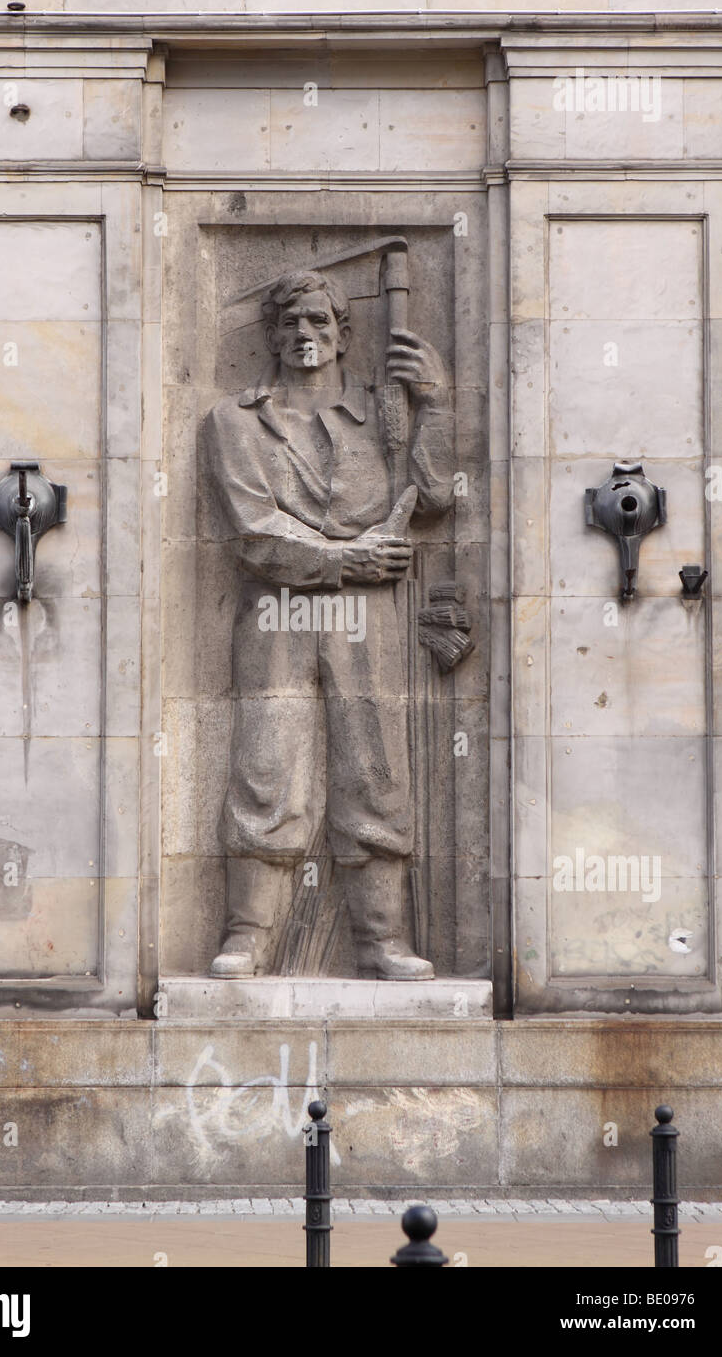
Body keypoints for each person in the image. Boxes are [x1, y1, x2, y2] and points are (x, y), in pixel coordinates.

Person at [204, 268, 453, 978]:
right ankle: (248, 933)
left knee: (376, 771)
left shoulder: (385, 414)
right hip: (280, 609)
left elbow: (432, 497)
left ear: (343, 333)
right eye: (290, 324)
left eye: (319, 322)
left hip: (367, 618)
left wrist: (432, 406)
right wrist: (350, 557)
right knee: (265, 768)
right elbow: (254, 529)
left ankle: (381, 941)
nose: (304, 336)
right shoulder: (236, 420)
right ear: (272, 336)